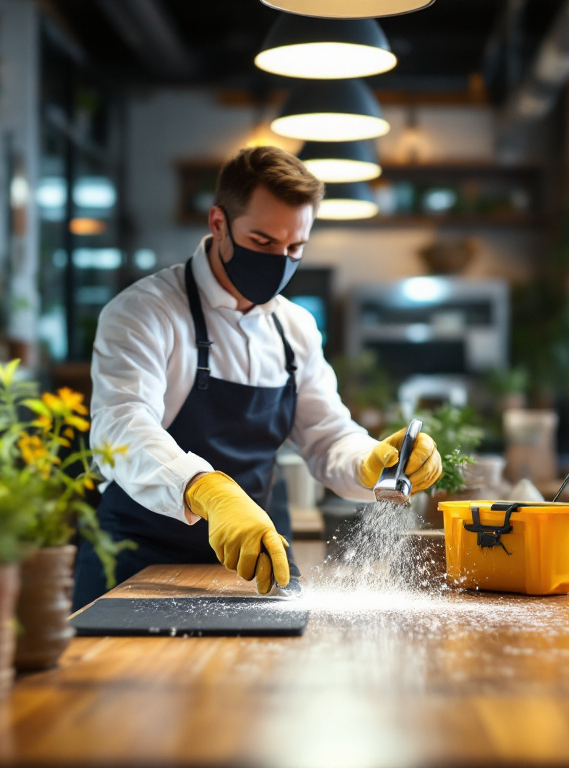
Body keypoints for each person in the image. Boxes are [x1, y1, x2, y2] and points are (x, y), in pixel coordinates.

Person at [73, 146, 443, 610]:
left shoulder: (296, 328)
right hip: (135, 562)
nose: (280, 261)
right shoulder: (143, 312)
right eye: (263, 243)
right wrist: (206, 490)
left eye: (295, 248)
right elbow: (120, 429)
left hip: (252, 565)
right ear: (218, 224)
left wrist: (373, 462)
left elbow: (327, 438)